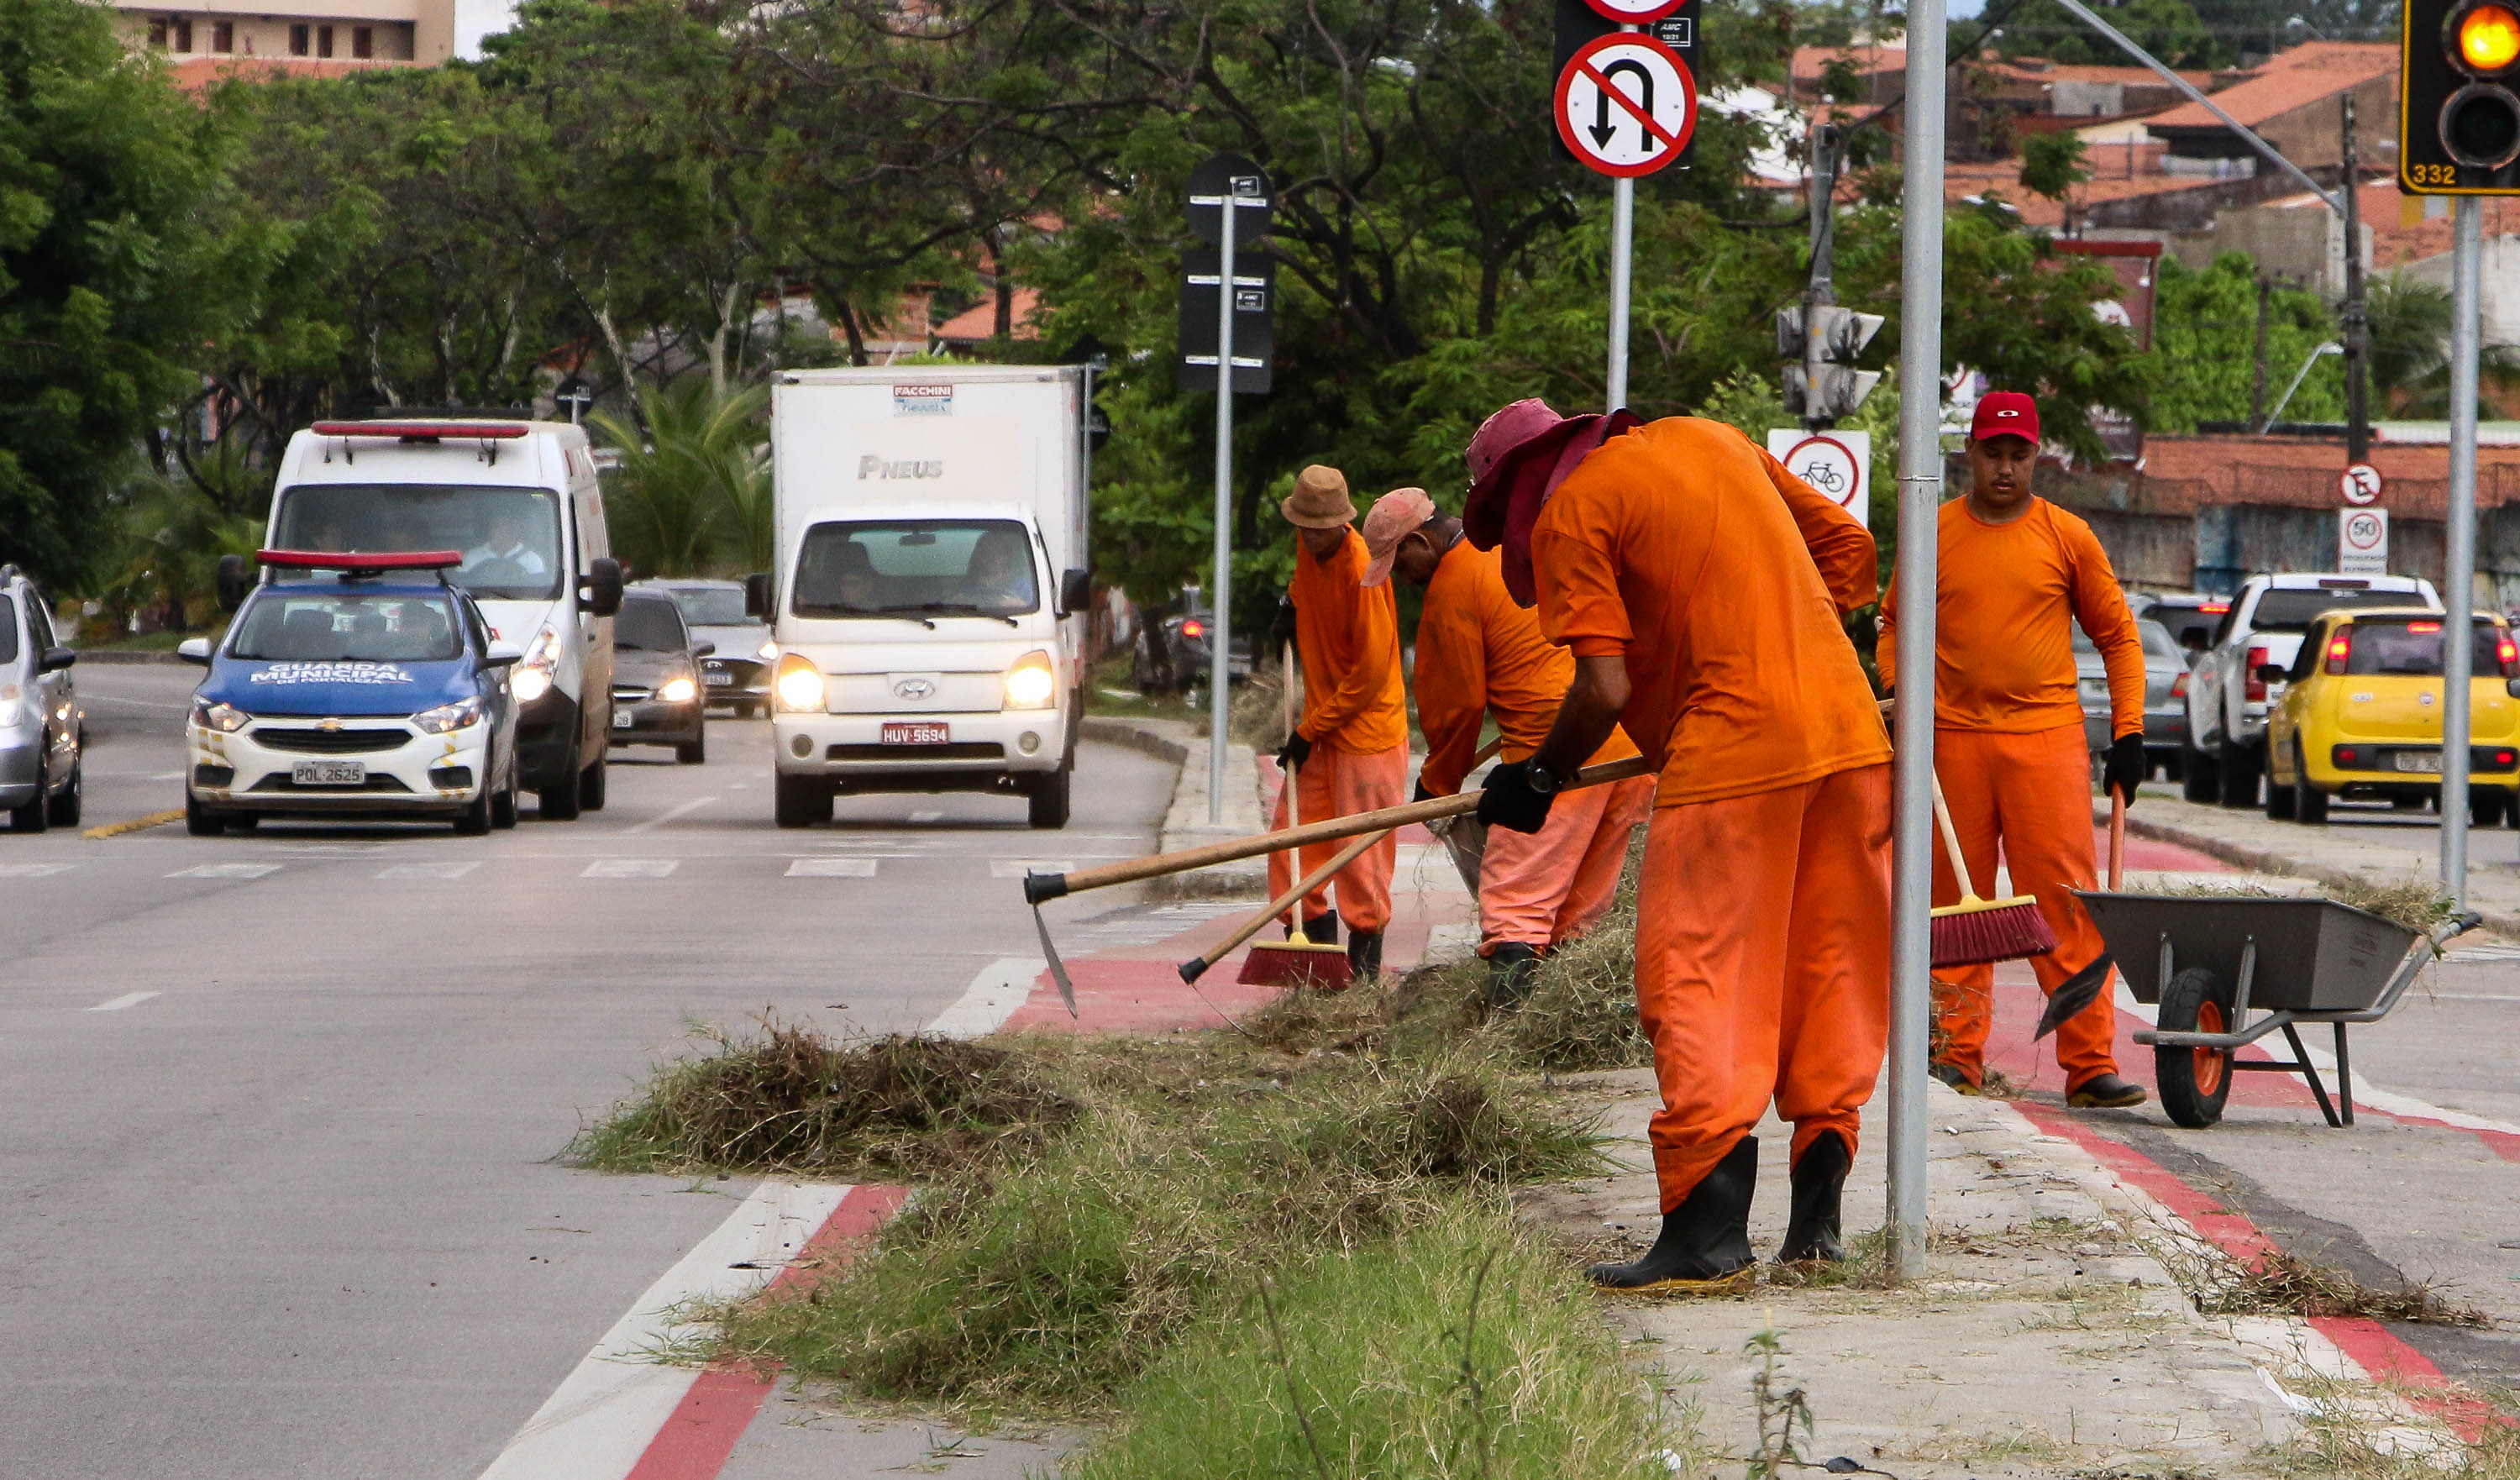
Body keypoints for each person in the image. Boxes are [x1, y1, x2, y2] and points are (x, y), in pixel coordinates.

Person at [1462, 398, 1891, 1288]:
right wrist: (1791, 637)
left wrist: (1536, 776)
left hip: (1733, 749)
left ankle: (1705, 1236)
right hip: (1849, 735)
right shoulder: (1711, 437)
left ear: (1519, 490)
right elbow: (1850, 554)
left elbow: (1603, 686)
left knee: (1697, 973)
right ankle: (1817, 1229)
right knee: (1829, 970)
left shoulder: (1572, 509)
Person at [1877, 391, 2150, 1110]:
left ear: (2036, 456)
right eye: (1992, 454)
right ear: (1971, 453)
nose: (2005, 468)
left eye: (2018, 455)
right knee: (1948, 905)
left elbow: (2119, 638)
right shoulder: (1931, 534)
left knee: (2065, 903)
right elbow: (1894, 626)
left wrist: (2130, 734)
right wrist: (1903, 695)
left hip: (2046, 741)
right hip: (1951, 744)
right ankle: (1954, 1057)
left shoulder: (2067, 536)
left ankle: (2089, 1066)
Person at [1359, 486, 1656, 1008]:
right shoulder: (1512, 550)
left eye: (1398, 564)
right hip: (1623, 749)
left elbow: (1457, 705)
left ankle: (1505, 1030)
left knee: (1514, 898)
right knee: (1575, 907)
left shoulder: (1454, 586)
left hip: (1553, 756)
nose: (1403, 581)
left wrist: (1437, 783)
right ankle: (1559, 1020)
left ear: (1422, 543)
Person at [1269, 464, 1411, 981]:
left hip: (1366, 736)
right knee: (1290, 843)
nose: (1308, 535)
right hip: (1322, 730)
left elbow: (1369, 676)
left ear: (1342, 522)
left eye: (1319, 526)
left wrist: (1310, 730)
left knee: (1361, 860)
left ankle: (1361, 977)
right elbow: (1307, 590)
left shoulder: (1363, 569)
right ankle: (1311, 956)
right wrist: (1292, 603)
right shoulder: (1309, 551)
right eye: (1302, 525)